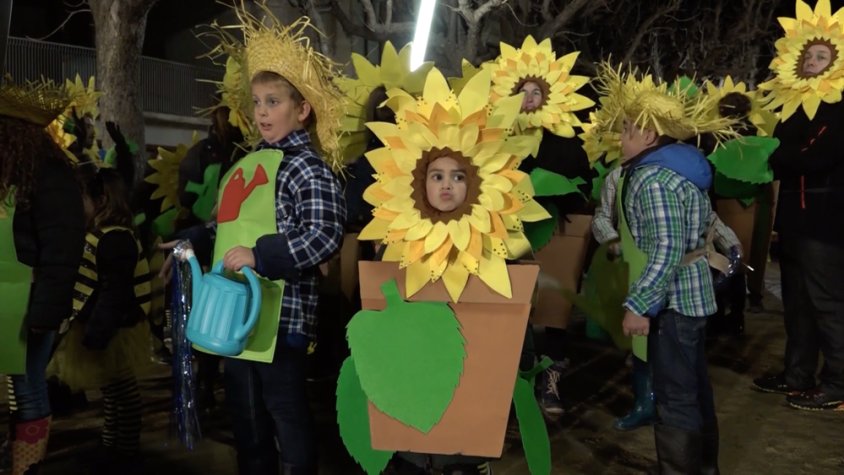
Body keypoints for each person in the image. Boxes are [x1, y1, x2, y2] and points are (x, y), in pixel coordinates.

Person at [164, 8, 346, 474]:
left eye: (274, 102)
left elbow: (325, 235)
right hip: (235, 316)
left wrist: (261, 255)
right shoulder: (247, 165)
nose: (262, 112)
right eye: (258, 102)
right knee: (246, 421)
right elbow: (230, 225)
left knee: (285, 416)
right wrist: (192, 240)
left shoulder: (309, 169)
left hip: (282, 320)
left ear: (301, 110)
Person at [591, 63, 739, 473]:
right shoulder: (676, 170)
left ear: (650, 135)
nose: (621, 137)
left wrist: (639, 305)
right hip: (689, 299)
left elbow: (667, 248)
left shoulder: (653, 179)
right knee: (693, 391)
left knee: (676, 399)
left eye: (627, 129)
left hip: (673, 304)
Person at [752, 39, 844, 410]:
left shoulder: (837, 106)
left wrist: (774, 155)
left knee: (827, 303)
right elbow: (781, 150)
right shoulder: (794, 105)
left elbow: (815, 155)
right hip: (794, 217)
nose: (811, 61)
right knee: (797, 303)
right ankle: (797, 374)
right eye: (807, 55)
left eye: (822, 56)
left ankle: (838, 383)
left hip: (825, 218)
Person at [0, 80, 86, 474]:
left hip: (28, 302)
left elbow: (62, 247)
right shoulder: (11, 175)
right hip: (10, 301)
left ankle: (27, 469)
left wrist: (45, 313)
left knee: (29, 389)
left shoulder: (50, 174)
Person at [50, 159, 152, 473]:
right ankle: (111, 444)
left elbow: (114, 293)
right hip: (102, 326)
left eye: (79, 198)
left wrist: (96, 334)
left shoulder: (114, 238)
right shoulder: (102, 234)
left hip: (114, 329)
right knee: (111, 390)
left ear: (101, 200)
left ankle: (126, 450)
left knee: (123, 392)